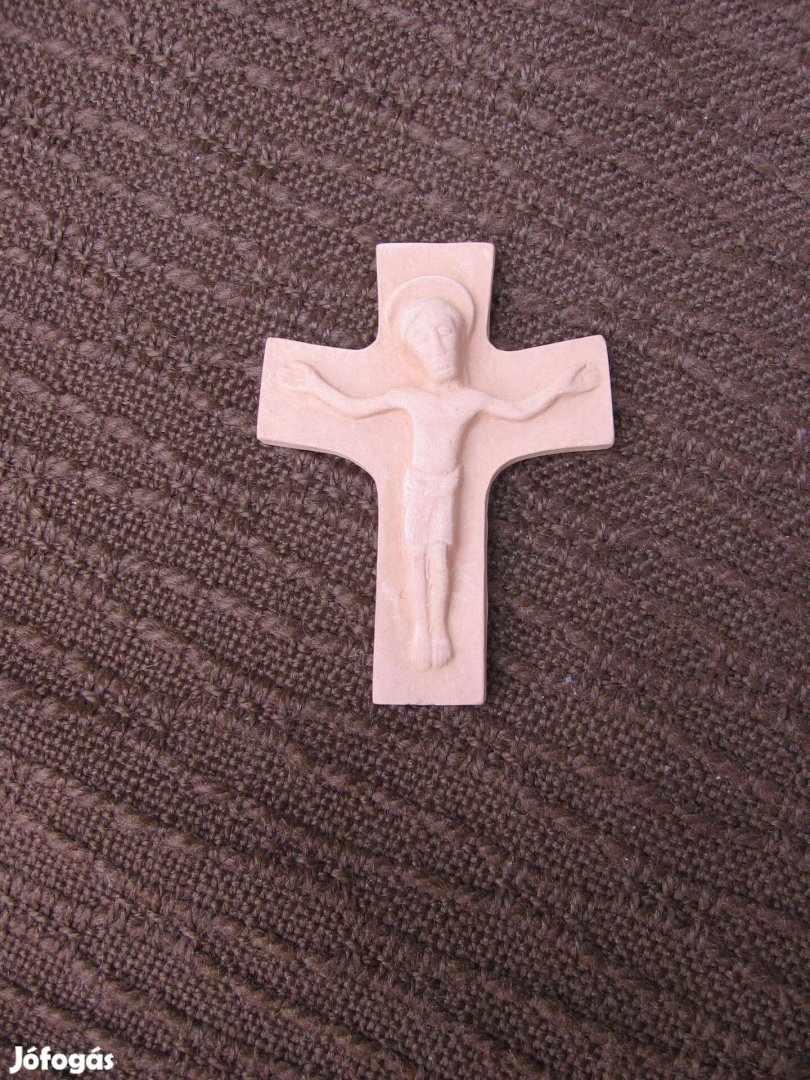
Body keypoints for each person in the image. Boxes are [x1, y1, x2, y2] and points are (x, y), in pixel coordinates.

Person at [279, 276, 600, 671]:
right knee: (416, 557)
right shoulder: (410, 398)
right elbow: (353, 408)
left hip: (447, 486)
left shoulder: (471, 399)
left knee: (440, 557)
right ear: (413, 352)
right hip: (418, 486)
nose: (439, 348)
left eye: (445, 334)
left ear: (460, 339)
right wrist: (312, 385)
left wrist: (562, 387)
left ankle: (441, 631)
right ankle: (420, 631)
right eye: (425, 339)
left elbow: (521, 411)